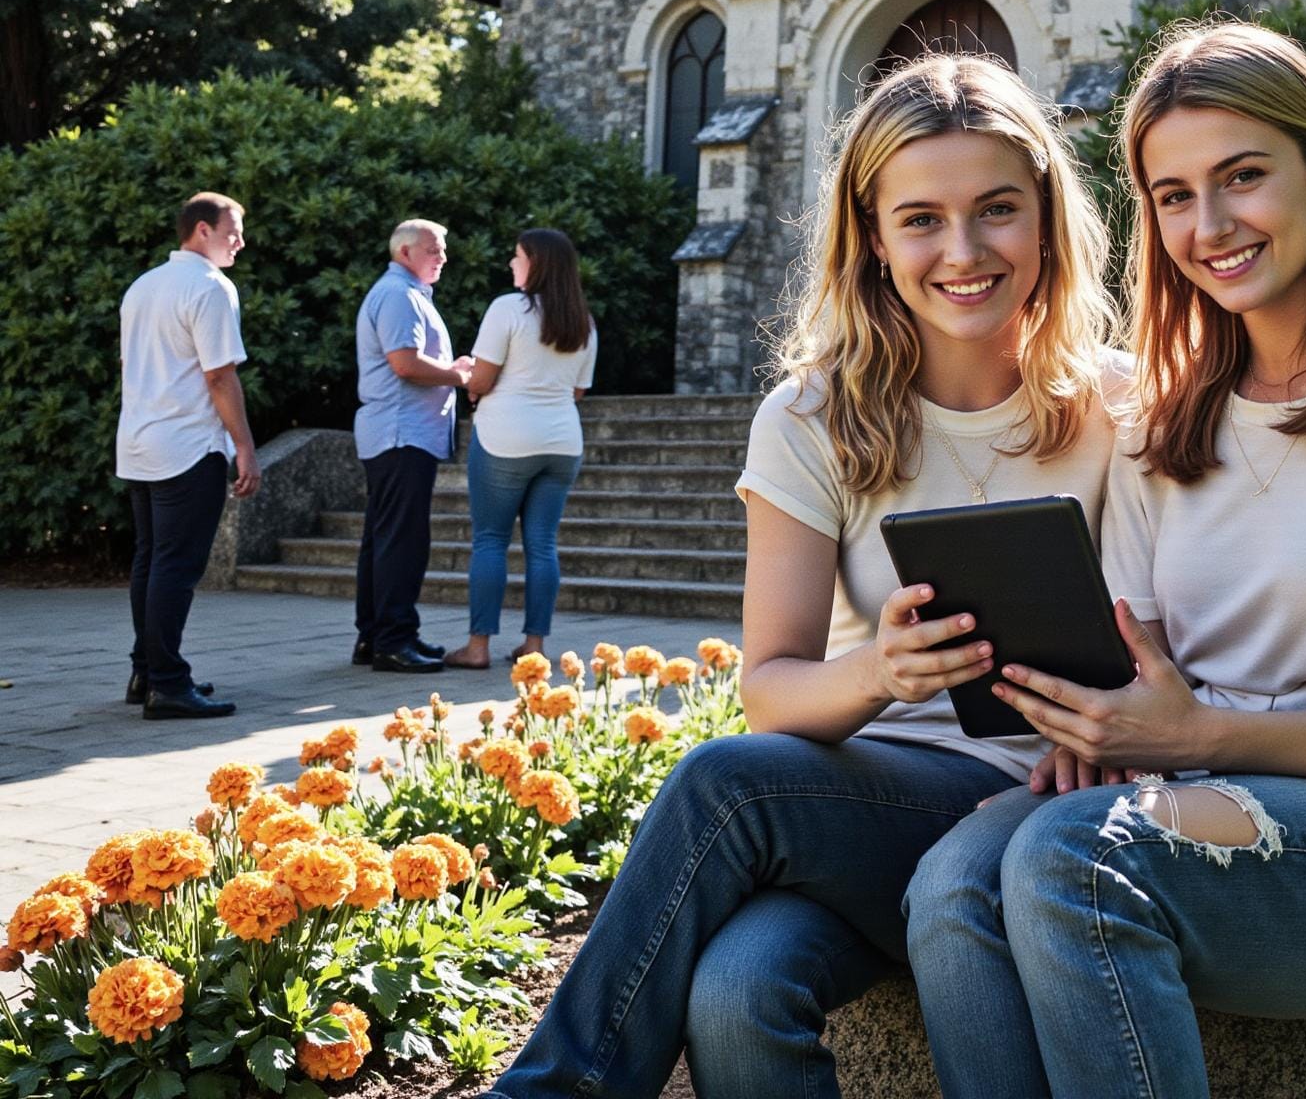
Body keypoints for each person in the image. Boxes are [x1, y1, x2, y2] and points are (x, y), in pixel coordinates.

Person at [905, 20, 1306, 1099]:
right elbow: (1142, 671)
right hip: (1189, 795)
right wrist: (1098, 735)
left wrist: (1194, 735)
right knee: (951, 884)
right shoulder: (1159, 415)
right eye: (1172, 195)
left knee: (1070, 860)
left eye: (1242, 176)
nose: (1208, 226)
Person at [488, 53, 1124, 1099]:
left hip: (1045, 804)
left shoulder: (1121, 406)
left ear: (1047, 217)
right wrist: (881, 670)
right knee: (738, 989)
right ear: (872, 236)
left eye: (997, 209)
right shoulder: (811, 415)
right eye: (920, 218)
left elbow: (1175, 640)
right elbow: (772, 690)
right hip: (860, 806)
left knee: (723, 798)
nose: (962, 250)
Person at [117, 192, 262, 720]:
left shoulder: (143, 285)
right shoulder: (210, 287)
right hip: (188, 446)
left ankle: (147, 673)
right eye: (233, 231)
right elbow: (219, 375)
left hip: (139, 442)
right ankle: (169, 684)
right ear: (203, 230)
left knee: (151, 560)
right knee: (174, 566)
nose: (240, 241)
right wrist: (244, 446)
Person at [440, 229, 597, 671]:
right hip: (562, 442)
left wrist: (471, 382)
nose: (512, 263)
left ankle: (477, 648)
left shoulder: (507, 309)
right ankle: (534, 646)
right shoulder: (583, 322)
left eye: (518, 256)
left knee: (491, 540)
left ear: (538, 264)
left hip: (505, 438)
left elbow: (482, 379)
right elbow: (578, 390)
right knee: (543, 544)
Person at [353, 218, 473, 672]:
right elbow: (405, 364)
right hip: (401, 434)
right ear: (405, 252)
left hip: (397, 434)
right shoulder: (399, 295)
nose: (443, 258)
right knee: (401, 541)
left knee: (384, 538)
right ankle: (393, 640)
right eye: (433, 250)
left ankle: (377, 635)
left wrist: (448, 369)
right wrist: (459, 375)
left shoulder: (404, 293)